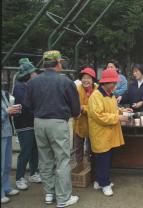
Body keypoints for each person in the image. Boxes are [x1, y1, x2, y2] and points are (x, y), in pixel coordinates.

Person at [24, 50, 81, 207]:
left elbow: (27, 105)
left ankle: (49, 194)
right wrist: (73, 113)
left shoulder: (33, 82)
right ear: (58, 63)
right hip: (57, 123)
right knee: (62, 160)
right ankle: (63, 198)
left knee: (45, 159)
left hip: (39, 122)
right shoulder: (65, 81)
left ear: (43, 64)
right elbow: (76, 108)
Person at [88, 69, 132, 196]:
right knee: (103, 160)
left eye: (115, 83)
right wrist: (117, 118)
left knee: (104, 159)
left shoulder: (110, 94)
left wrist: (122, 111)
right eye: (112, 83)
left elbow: (112, 109)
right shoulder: (96, 96)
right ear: (104, 83)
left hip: (108, 134)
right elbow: (99, 116)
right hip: (100, 134)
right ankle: (105, 184)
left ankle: (99, 181)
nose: (114, 85)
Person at [13, 58, 41, 190]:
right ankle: (19, 177)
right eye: (34, 72)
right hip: (24, 125)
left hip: (33, 122)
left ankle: (34, 172)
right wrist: (39, 111)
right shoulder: (19, 88)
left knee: (35, 149)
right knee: (26, 150)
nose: (36, 74)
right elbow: (26, 106)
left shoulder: (29, 86)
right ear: (28, 75)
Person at [73, 67, 98, 165]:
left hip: (94, 123)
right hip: (79, 122)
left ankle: (92, 168)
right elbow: (75, 105)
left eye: (88, 78)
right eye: (84, 77)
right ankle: (79, 166)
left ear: (93, 80)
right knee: (78, 147)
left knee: (92, 148)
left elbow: (96, 107)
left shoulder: (97, 90)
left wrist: (83, 108)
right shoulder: (76, 89)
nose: (86, 80)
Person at [1, 90, 20, 204]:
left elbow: (6, 110)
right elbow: (4, 112)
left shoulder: (3, 93)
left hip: (7, 131)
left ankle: (6, 187)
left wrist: (13, 110)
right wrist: (7, 111)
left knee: (7, 163)